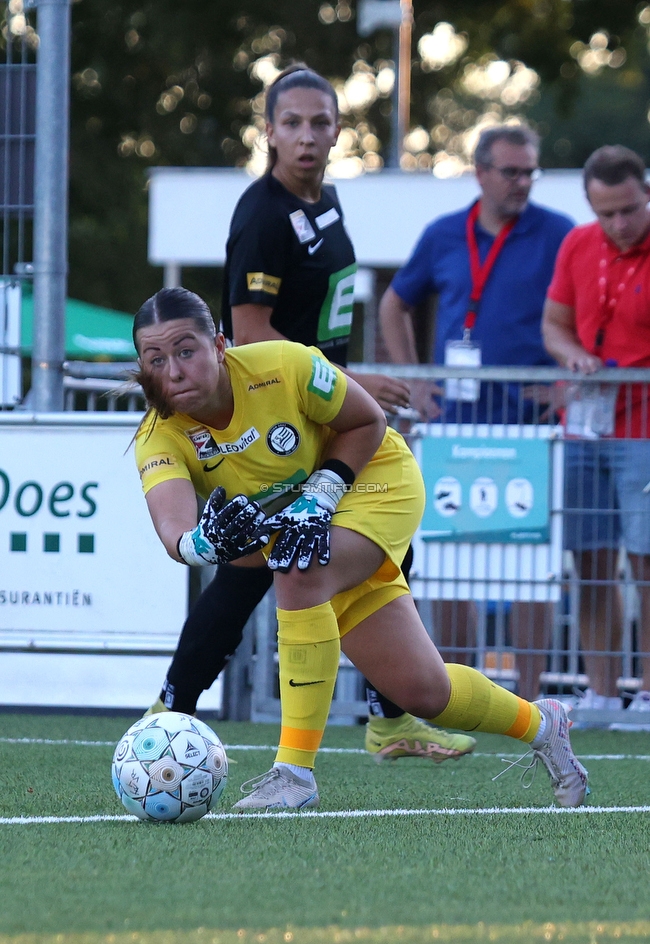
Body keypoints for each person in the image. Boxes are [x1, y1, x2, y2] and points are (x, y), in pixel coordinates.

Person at [132, 285, 588, 812]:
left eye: (186, 351)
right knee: (423, 692)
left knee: (297, 568)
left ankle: (293, 774)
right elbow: (175, 530)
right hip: (314, 522)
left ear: (219, 344)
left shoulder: (284, 363)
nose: (173, 371)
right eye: (155, 359)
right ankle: (543, 724)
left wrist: (320, 498)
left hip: (376, 480)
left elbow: (369, 421)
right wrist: (200, 544)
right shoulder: (157, 434)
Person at [146, 63, 476, 764]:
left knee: (377, 551)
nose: (305, 136)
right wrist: (356, 381)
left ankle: (391, 715)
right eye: (290, 123)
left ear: (337, 131)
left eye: (319, 123)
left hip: (321, 411)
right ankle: (171, 708)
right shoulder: (263, 215)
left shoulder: (325, 205)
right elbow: (251, 334)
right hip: (277, 416)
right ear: (267, 132)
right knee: (251, 566)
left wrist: (349, 399)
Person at [379, 125, 574, 700]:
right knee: (452, 561)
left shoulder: (560, 234)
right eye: (511, 172)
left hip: (533, 429)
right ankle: (460, 690)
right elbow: (394, 303)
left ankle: (534, 697)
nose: (522, 183)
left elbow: (581, 317)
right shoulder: (443, 235)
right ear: (481, 172)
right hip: (455, 428)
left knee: (531, 567)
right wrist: (415, 384)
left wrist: (566, 385)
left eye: (529, 172)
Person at [542, 144, 650, 727]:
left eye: (629, 210)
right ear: (590, 204)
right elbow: (554, 326)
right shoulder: (577, 244)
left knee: (648, 559)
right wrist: (576, 357)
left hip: (646, 428)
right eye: (606, 212)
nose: (619, 223)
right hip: (584, 426)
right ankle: (603, 690)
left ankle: (649, 692)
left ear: (647, 193)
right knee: (591, 559)